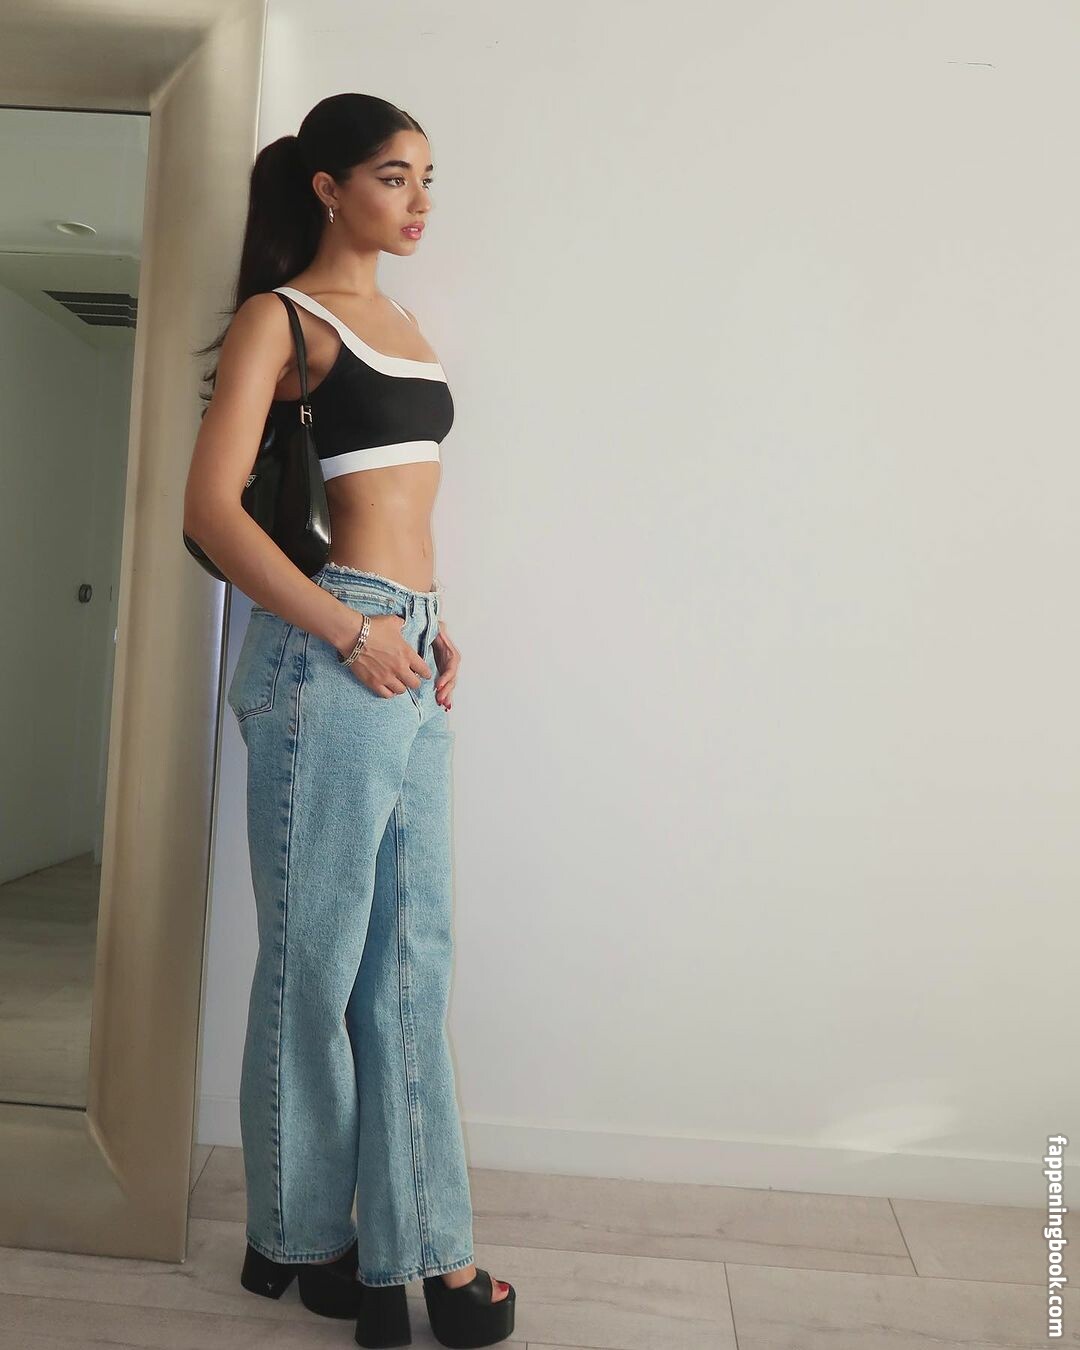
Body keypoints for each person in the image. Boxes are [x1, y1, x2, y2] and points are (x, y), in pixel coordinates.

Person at [183, 92, 515, 1350]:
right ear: (328, 188)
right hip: (329, 657)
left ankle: (420, 1250)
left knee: (410, 962)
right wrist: (349, 627)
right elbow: (213, 510)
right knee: (317, 964)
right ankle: (307, 1237)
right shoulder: (281, 319)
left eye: (428, 178)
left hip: (405, 648)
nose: (418, 201)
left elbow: (402, 512)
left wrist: (431, 622)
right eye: (392, 176)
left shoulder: (407, 326)